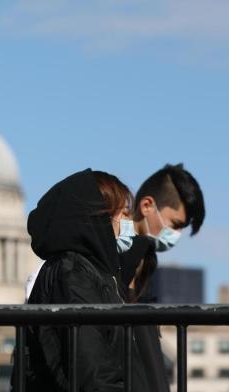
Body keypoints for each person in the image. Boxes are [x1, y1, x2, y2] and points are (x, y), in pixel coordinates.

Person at [12, 168, 150, 392]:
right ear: (99, 216)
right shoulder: (72, 273)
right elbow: (91, 368)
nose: (129, 222)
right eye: (124, 213)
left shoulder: (95, 273)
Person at [119, 163, 206, 392]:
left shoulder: (147, 262)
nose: (175, 236)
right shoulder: (109, 254)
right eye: (174, 224)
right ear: (147, 205)